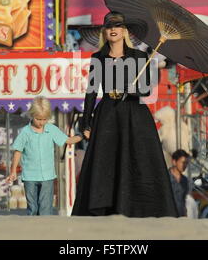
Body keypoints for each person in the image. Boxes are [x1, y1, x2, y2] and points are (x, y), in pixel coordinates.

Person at [72, 11, 178, 217]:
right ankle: (106, 208)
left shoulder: (139, 57)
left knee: (138, 162)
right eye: (110, 26)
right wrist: (86, 124)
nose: (113, 30)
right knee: (106, 164)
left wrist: (131, 88)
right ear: (105, 30)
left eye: (118, 26)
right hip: (107, 117)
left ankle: (138, 208)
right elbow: (91, 92)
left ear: (124, 31)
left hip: (134, 117)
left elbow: (146, 89)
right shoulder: (98, 58)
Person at [6, 96, 82, 215]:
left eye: (44, 119)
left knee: (45, 207)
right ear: (31, 115)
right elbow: (18, 151)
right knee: (33, 207)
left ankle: (44, 228)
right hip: (30, 176)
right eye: (38, 119)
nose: (41, 122)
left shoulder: (51, 129)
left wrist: (83, 136)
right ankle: (32, 229)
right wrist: (13, 171)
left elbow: (68, 140)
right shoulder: (25, 132)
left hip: (47, 176)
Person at [169, 149, 190, 217]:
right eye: (182, 162)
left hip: (180, 218)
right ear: (174, 162)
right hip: (167, 217)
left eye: (186, 163)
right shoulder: (165, 177)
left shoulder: (185, 180)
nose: (184, 165)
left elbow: (183, 201)